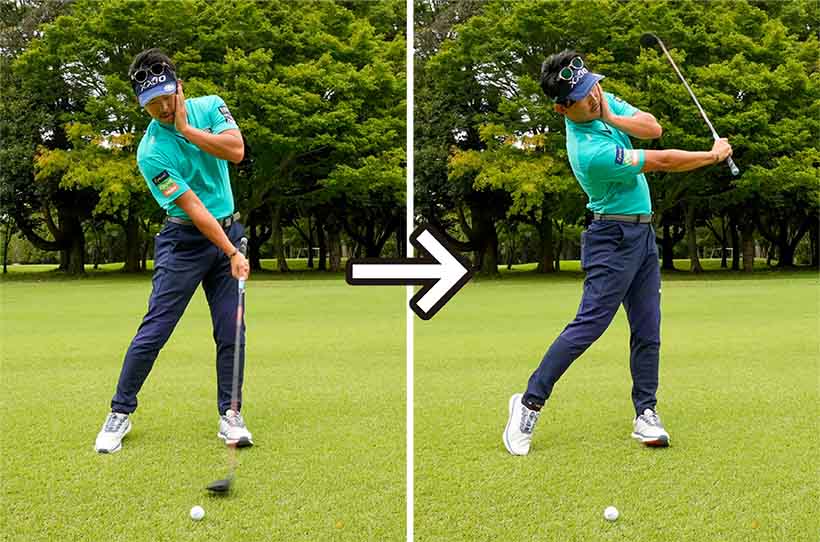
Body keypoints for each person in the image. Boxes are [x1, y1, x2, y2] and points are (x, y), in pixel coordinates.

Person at [503, 50, 732, 455]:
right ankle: (529, 402)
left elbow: (653, 128)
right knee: (588, 326)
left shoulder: (602, 103)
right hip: (611, 239)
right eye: (583, 96)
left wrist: (609, 114)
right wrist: (712, 156)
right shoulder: (588, 152)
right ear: (562, 108)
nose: (593, 97)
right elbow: (660, 160)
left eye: (593, 87)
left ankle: (646, 413)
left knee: (648, 329)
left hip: (642, 235)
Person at [95, 48, 253, 453]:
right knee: (156, 329)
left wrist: (187, 130)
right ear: (141, 105)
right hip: (184, 243)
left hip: (229, 231)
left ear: (180, 87)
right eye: (153, 104)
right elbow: (195, 209)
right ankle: (119, 412)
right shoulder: (150, 152)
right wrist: (232, 252)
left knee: (232, 330)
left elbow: (236, 150)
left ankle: (231, 414)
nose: (163, 108)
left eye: (168, 97)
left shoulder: (211, 107)